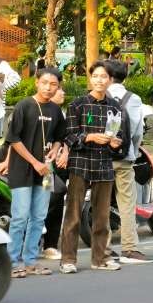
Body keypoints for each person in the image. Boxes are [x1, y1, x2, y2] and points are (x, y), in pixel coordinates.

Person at [58, 61, 130, 274]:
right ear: (90, 79)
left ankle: (100, 258)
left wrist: (116, 144)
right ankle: (68, 260)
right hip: (80, 165)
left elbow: (121, 141)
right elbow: (69, 136)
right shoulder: (78, 105)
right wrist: (89, 137)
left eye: (104, 77)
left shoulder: (116, 107)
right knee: (73, 215)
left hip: (104, 166)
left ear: (110, 80)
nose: (99, 80)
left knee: (101, 216)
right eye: (96, 76)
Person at [4, 68, 68, 278]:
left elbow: (61, 136)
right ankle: (12, 262)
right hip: (22, 170)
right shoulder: (24, 106)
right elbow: (14, 139)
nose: (49, 88)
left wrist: (54, 151)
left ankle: (31, 261)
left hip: (46, 172)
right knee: (20, 217)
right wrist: (34, 162)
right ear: (36, 82)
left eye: (54, 84)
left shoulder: (56, 110)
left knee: (39, 217)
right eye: (45, 83)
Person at [106, 60, 153, 264]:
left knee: (101, 203)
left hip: (101, 159)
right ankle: (130, 248)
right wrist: (132, 152)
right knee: (126, 203)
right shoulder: (133, 99)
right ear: (124, 77)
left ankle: (105, 249)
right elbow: (136, 131)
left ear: (107, 77)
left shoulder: (100, 96)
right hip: (124, 159)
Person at [42, 88, 68, 260]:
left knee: (57, 196)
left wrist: (65, 152)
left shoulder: (60, 113)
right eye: (58, 89)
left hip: (55, 166)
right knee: (52, 193)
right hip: (39, 166)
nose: (61, 92)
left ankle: (50, 245)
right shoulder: (31, 108)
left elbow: (65, 136)